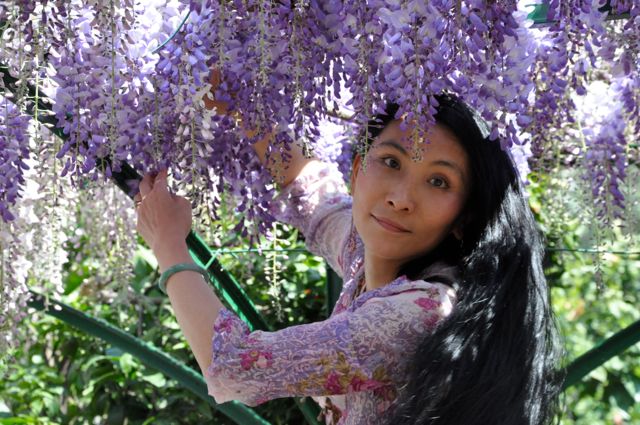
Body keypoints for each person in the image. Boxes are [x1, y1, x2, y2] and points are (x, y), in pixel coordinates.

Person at [133, 73, 565, 424]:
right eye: (391, 162)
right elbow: (311, 194)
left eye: (438, 181)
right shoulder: (371, 257)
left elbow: (235, 366)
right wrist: (242, 107)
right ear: (358, 168)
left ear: (464, 217)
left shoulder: (418, 313)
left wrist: (169, 245)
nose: (400, 197)